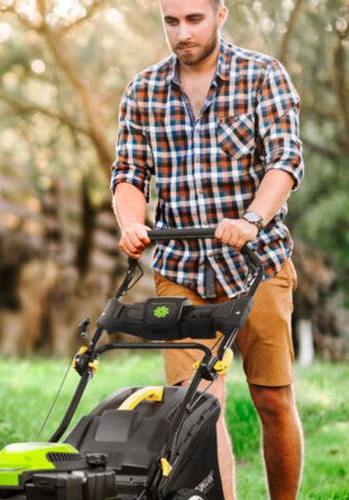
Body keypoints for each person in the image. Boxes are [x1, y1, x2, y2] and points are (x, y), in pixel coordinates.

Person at [109, 0, 304, 498]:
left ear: (221, 14)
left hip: (255, 266)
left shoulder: (262, 75)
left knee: (272, 399)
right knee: (194, 410)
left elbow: (285, 160)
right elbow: (129, 174)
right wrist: (132, 223)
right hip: (181, 270)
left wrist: (252, 219)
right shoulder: (143, 90)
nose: (182, 33)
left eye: (193, 19)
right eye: (171, 21)